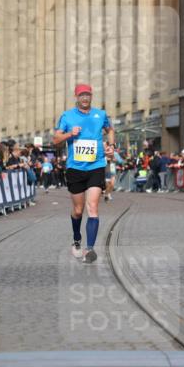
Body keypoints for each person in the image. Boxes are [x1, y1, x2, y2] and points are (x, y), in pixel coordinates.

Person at [53, 83, 113, 263]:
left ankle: (90, 249)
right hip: (75, 168)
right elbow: (56, 140)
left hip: (96, 165)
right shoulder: (67, 116)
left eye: (87, 95)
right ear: (76, 97)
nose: (85, 98)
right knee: (78, 210)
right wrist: (69, 134)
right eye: (81, 95)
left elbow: (110, 129)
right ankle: (77, 238)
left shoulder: (100, 114)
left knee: (92, 207)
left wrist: (111, 146)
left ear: (91, 96)